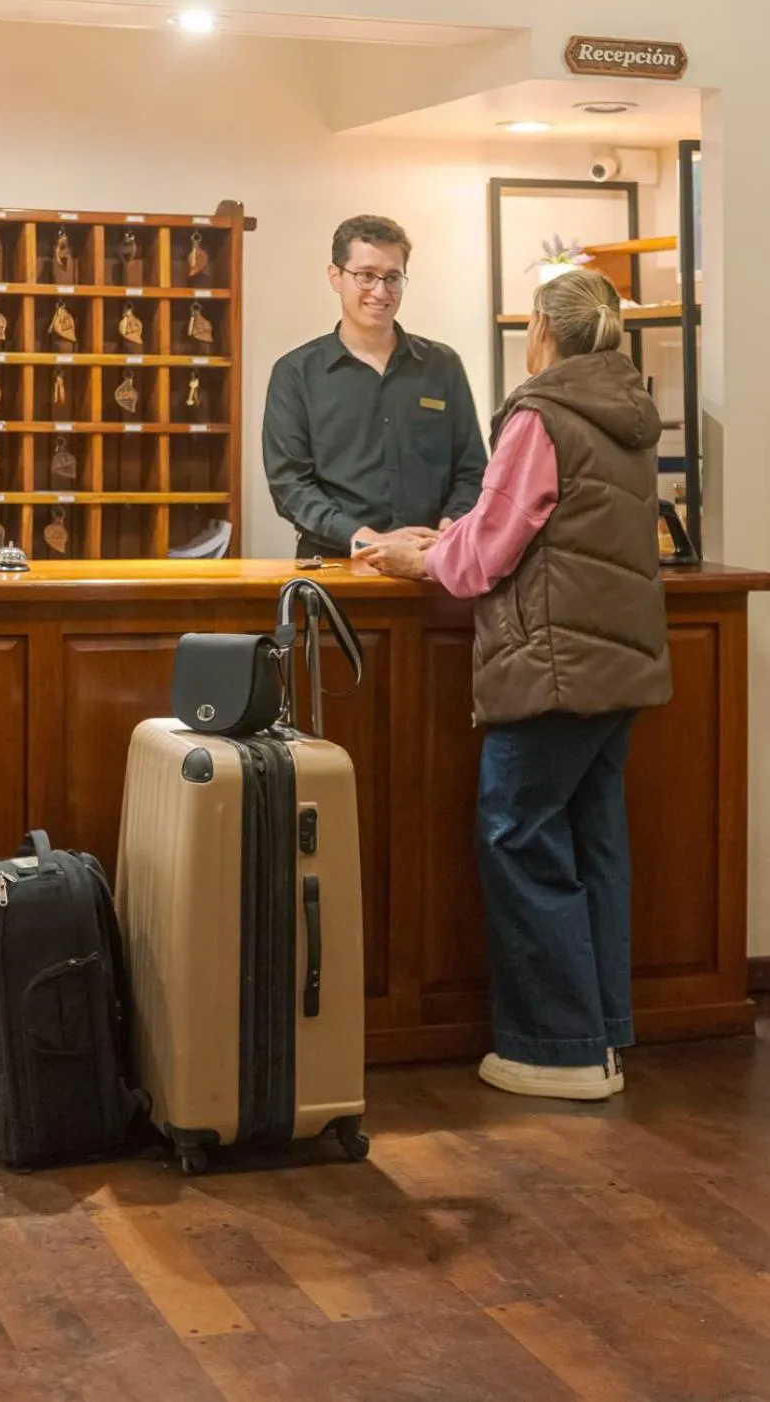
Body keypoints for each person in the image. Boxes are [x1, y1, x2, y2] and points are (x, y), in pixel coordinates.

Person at [357, 269, 672, 1101]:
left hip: (552, 665)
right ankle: (599, 1037)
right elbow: (553, 523)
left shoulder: (542, 413)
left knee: (518, 837)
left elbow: (488, 555)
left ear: (541, 329)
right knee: (594, 843)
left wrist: (419, 554)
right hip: (619, 664)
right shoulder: (629, 412)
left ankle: (557, 1050)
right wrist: (462, 531)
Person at [262, 215, 486, 559]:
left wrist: (447, 532)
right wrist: (367, 540)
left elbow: (471, 470)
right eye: (366, 276)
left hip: (432, 566)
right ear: (336, 277)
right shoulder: (295, 373)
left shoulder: (443, 366)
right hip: (336, 566)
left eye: (393, 278)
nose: (380, 292)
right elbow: (290, 485)